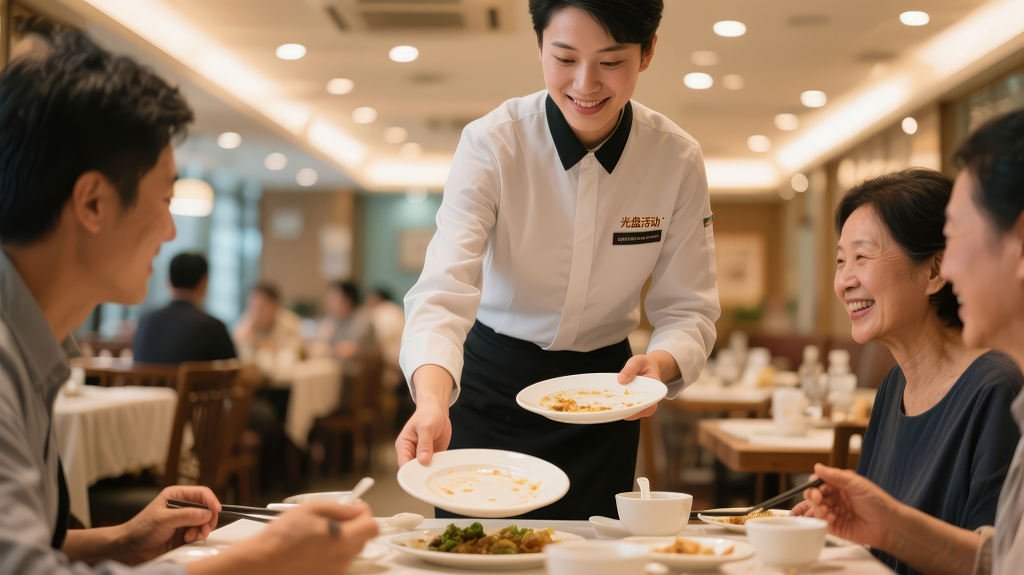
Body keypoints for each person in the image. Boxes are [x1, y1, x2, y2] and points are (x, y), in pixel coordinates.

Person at [0, 31, 377, 574]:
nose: (172, 230)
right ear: (93, 202)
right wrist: (265, 559)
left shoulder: (33, 346)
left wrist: (122, 540)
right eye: (165, 199)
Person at [397, 0, 719, 519]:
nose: (586, 84)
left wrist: (658, 367)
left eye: (611, 62)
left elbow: (690, 309)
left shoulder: (675, 159)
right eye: (565, 59)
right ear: (539, 47)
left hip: (607, 396)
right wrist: (431, 401)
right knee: (476, 554)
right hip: (491, 388)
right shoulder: (492, 144)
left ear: (648, 51)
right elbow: (443, 290)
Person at [797, 110, 1024, 575]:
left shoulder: (999, 388)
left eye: (862, 257)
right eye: (841, 261)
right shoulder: (893, 386)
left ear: (934, 271)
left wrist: (888, 528)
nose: (844, 282)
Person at [133, 253, 236, 364]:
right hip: (195, 382)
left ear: (168, 282)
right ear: (204, 282)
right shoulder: (213, 327)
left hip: (144, 382)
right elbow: (232, 371)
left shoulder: (145, 321)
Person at [312, 282, 376, 377]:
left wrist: (327, 350)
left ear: (348, 299)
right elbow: (318, 345)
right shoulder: (334, 320)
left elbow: (349, 350)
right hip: (338, 371)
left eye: (334, 297)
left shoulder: (362, 319)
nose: (329, 302)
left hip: (358, 376)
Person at [233, 283, 303, 365]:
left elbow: (290, 357)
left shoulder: (290, 323)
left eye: (262, 307)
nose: (256, 313)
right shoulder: (248, 321)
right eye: (252, 306)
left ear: (274, 306)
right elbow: (237, 351)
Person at [366, 288, 405, 390]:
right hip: (403, 357)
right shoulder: (397, 310)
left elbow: (380, 338)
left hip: (391, 359)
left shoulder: (382, 311)